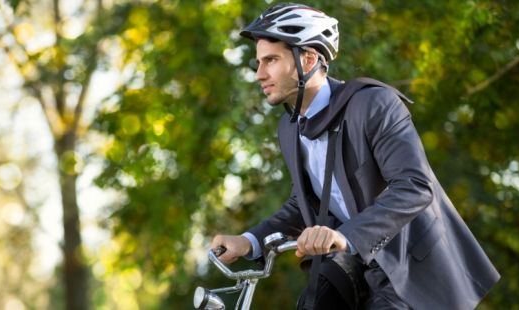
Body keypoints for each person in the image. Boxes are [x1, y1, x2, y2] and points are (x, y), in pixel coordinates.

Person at [211, 3, 500, 309]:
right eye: (258, 62)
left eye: (270, 60)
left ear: (308, 59)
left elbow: (414, 185)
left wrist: (345, 236)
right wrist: (249, 241)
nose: (259, 74)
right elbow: (303, 202)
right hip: (351, 266)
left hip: (409, 267)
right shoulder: (290, 127)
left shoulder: (374, 104)